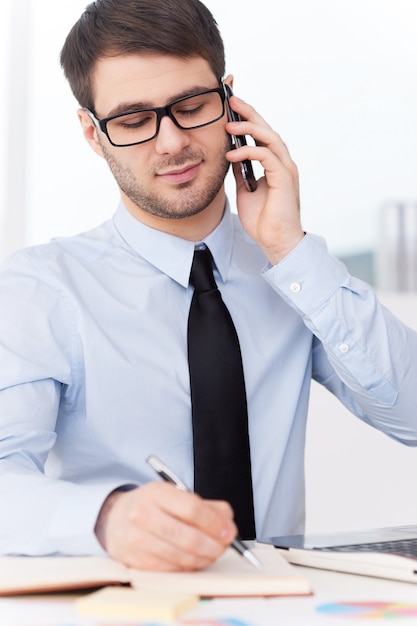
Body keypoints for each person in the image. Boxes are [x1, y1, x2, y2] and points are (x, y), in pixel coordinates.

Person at [0, 0, 416, 573]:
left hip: (287, 608)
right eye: (132, 120)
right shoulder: (41, 290)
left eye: (191, 106)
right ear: (93, 135)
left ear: (230, 102)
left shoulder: (292, 273)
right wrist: (106, 516)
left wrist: (290, 251)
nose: (171, 143)